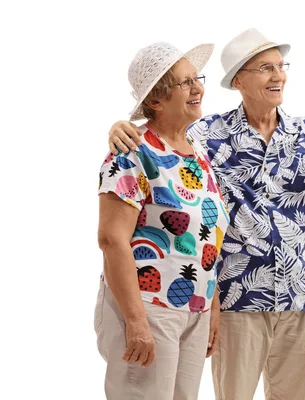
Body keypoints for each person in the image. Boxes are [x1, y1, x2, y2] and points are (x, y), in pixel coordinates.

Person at [107, 28, 305, 400]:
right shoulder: (206, 133)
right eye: (265, 68)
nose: (278, 76)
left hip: (297, 297)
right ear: (238, 80)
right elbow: (160, 128)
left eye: (280, 66)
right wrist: (119, 127)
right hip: (237, 299)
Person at [96, 41, 229, 399]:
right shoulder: (131, 151)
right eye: (185, 82)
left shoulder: (197, 153)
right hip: (148, 306)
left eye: (196, 79)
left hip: (193, 309)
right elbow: (111, 240)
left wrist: (211, 305)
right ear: (156, 99)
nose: (198, 87)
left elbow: (207, 237)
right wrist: (136, 322)